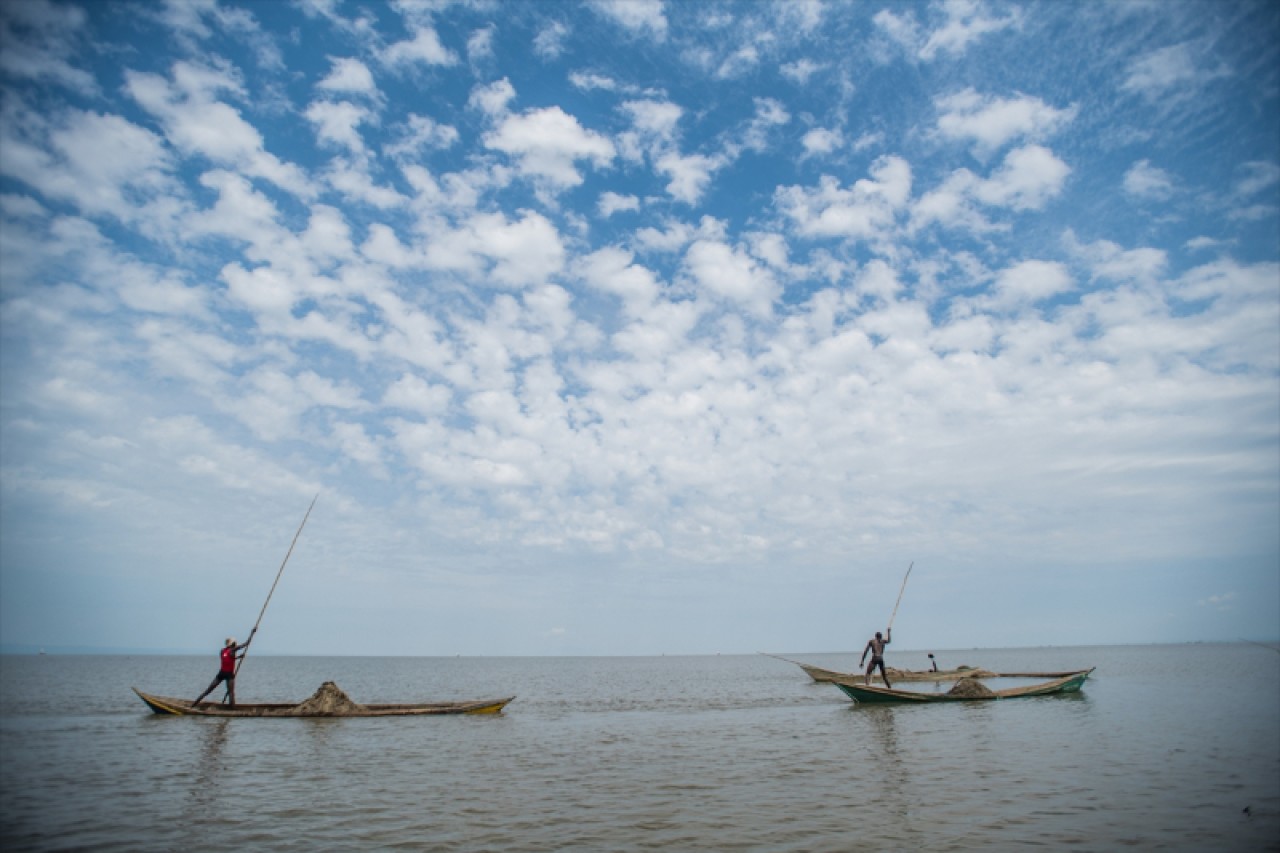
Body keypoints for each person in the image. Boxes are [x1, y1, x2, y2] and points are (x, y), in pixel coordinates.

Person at [193, 632, 253, 707]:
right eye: (235, 643)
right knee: (231, 693)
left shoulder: (222, 651)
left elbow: (228, 659)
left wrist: (238, 657)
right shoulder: (233, 650)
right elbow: (246, 643)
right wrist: (252, 632)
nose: (236, 644)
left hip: (221, 673)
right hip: (229, 675)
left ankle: (194, 704)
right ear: (233, 644)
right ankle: (232, 710)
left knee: (208, 691)